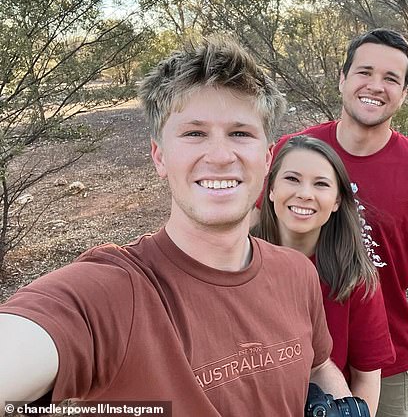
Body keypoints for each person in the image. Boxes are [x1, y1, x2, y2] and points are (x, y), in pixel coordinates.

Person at [0, 38, 351, 416]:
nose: (220, 156)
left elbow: (317, 365)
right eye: (194, 133)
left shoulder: (296, 272)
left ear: (266, 158)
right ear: (160, 156)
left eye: (241, 133)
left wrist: (344, 405)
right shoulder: (115, 292)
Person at [256, 29, 408, 416]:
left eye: (391, 78)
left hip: (384, 360)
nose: (375, 86)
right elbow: (249, 230)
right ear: (342, 78)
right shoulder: (291, 153)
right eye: (364, 72)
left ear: (403, 93)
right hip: (281, 346)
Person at [252, 135, 395, 416]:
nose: (305, 193)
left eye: (321, 184)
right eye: (292, 179)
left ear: (337, 201)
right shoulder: (236, 260)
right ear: (269, 190)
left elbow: (366, 376)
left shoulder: (355, 279)